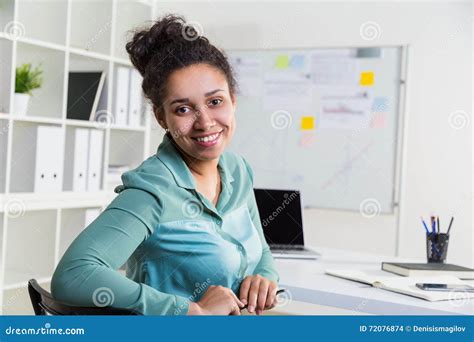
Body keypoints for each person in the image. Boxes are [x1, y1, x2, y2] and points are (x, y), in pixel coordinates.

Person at [51, 14, 279, 316]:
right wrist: (188, 311)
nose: (205, 122)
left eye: (215, 101)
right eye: (183, 108)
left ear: (233, 100)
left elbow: (261, 252)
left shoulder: (237, 170)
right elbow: (74, 274)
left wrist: (265, 277)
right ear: (162, 118)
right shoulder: (152, 190)